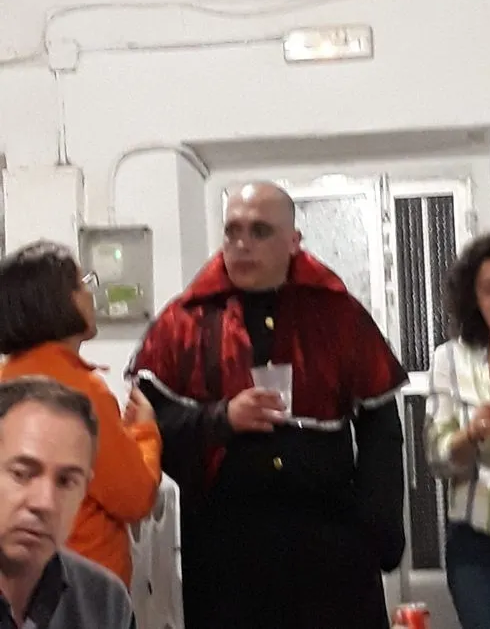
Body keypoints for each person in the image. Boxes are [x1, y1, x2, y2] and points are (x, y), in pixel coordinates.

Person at [126, 181, 408, 629]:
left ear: (293, 241)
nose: (242, 244)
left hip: (330, 544)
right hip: (225, 551)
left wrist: (377, 530)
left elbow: (381, 428)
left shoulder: (338, 315)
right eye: (232, 231)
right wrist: (222, 418)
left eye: (259, 231)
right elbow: (147, 426)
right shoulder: (183, 321)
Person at [0, 240, 161, 586]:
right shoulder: (81, 393)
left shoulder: (7, 380)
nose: (91, 294)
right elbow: (135, 498)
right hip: (80, 590)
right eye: (82, 284)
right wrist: (144, 431)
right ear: (56, 301)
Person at [0, 376, 136, 628]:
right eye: (22, 473)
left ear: (85, 489)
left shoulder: (106, 602)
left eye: (65, 481)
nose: (45, 502)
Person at [425, 231, 490, 629]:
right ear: (474, 297)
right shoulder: (449, 359)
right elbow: (437, 458)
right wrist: (470, 435)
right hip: (477, 546)